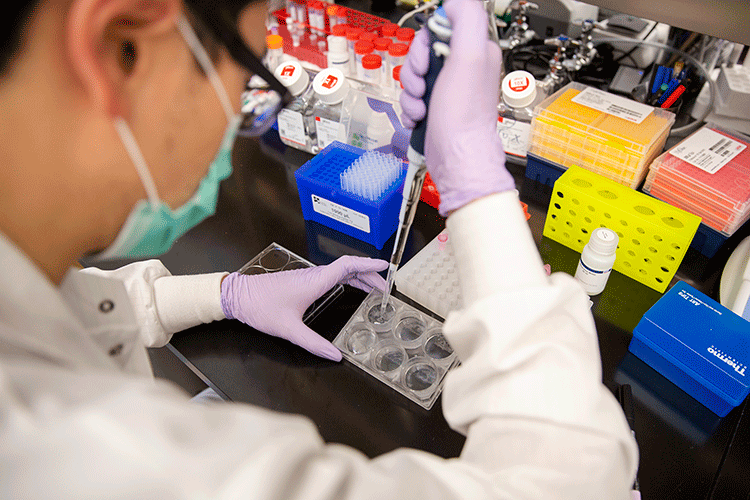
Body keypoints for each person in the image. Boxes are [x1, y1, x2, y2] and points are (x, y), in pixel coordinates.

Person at [0, 0, 638, 498]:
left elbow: (68, 312)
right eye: (251, 75)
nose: (238, 121)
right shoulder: (90, 459)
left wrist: (220, 293)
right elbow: (569, 480)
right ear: (120, 46)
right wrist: (476, 186)